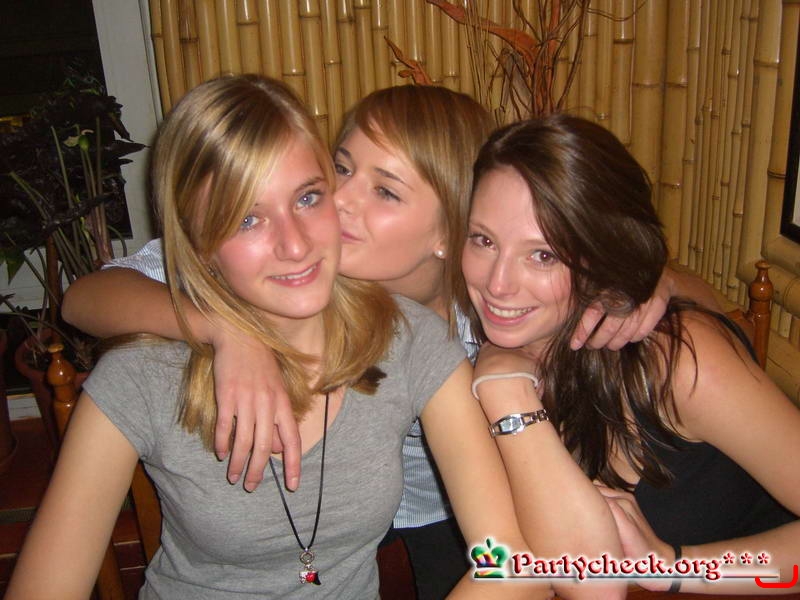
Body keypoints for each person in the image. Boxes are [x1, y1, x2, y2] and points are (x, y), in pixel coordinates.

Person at [62, 84, 716, 599]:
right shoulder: (273, 263)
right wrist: (224, 328)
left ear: (450, 231)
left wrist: (646, 282)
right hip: (335, 523)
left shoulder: (487, 308)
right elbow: (84, 298)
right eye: (338, 170)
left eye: (384, 190)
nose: (337, 202)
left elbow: (522, 561)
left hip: (450, 513)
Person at [6, 75, 543, 600]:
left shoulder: (416, 339)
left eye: (308, 198)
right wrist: (225, 329)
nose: (295, 245)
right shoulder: (141, 376)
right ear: (197, 243)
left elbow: (510, 566)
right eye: (247, 219)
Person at [463, 113, 800, 595]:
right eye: (484, 240)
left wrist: (675, 568)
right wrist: (502, 380)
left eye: (543, 255)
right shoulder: (487, 357)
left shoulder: (677, 361)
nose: (497, 284)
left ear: (602, 253)